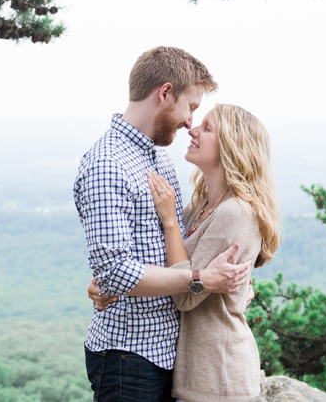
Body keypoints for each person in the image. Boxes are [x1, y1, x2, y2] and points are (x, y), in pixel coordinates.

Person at [74, 47, 253, 402]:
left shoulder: (158, 156)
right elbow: (115, 272)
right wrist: (201, 280)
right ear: (165, 93)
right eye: (191, 107)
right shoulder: (107, 164)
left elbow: (186, 242)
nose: (190, 122)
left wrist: (238, 280)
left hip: (170, 354)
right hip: (129, 355)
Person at [96, 104, 282, 402]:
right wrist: (112, 282)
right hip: (196, 373)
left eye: (207, 128)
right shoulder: (202, 207)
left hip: (218, 378)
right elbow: (164, 261)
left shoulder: (235, 213)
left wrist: (169, 220)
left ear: (231, 147)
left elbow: (184, 293)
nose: (192, 129)